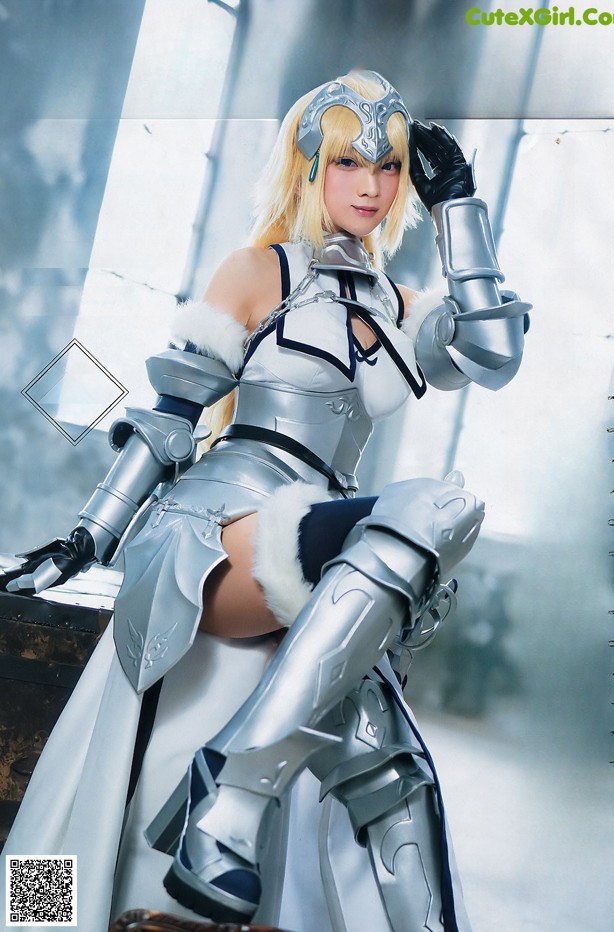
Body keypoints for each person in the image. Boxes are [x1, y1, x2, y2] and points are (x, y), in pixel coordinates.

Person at [0, 71, 529, 932]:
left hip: (334, 560)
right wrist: (88, 536)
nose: (370, 183)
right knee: (72, 819)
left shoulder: (400, 307)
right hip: (213, 535)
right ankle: (225, 806)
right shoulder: (260, 271)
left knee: (391, 769)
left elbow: (493, 352)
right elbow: (171, 421)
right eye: (349, 160)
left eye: (390, 167)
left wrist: (459, 206)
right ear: (308, 164)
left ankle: (231, 804)